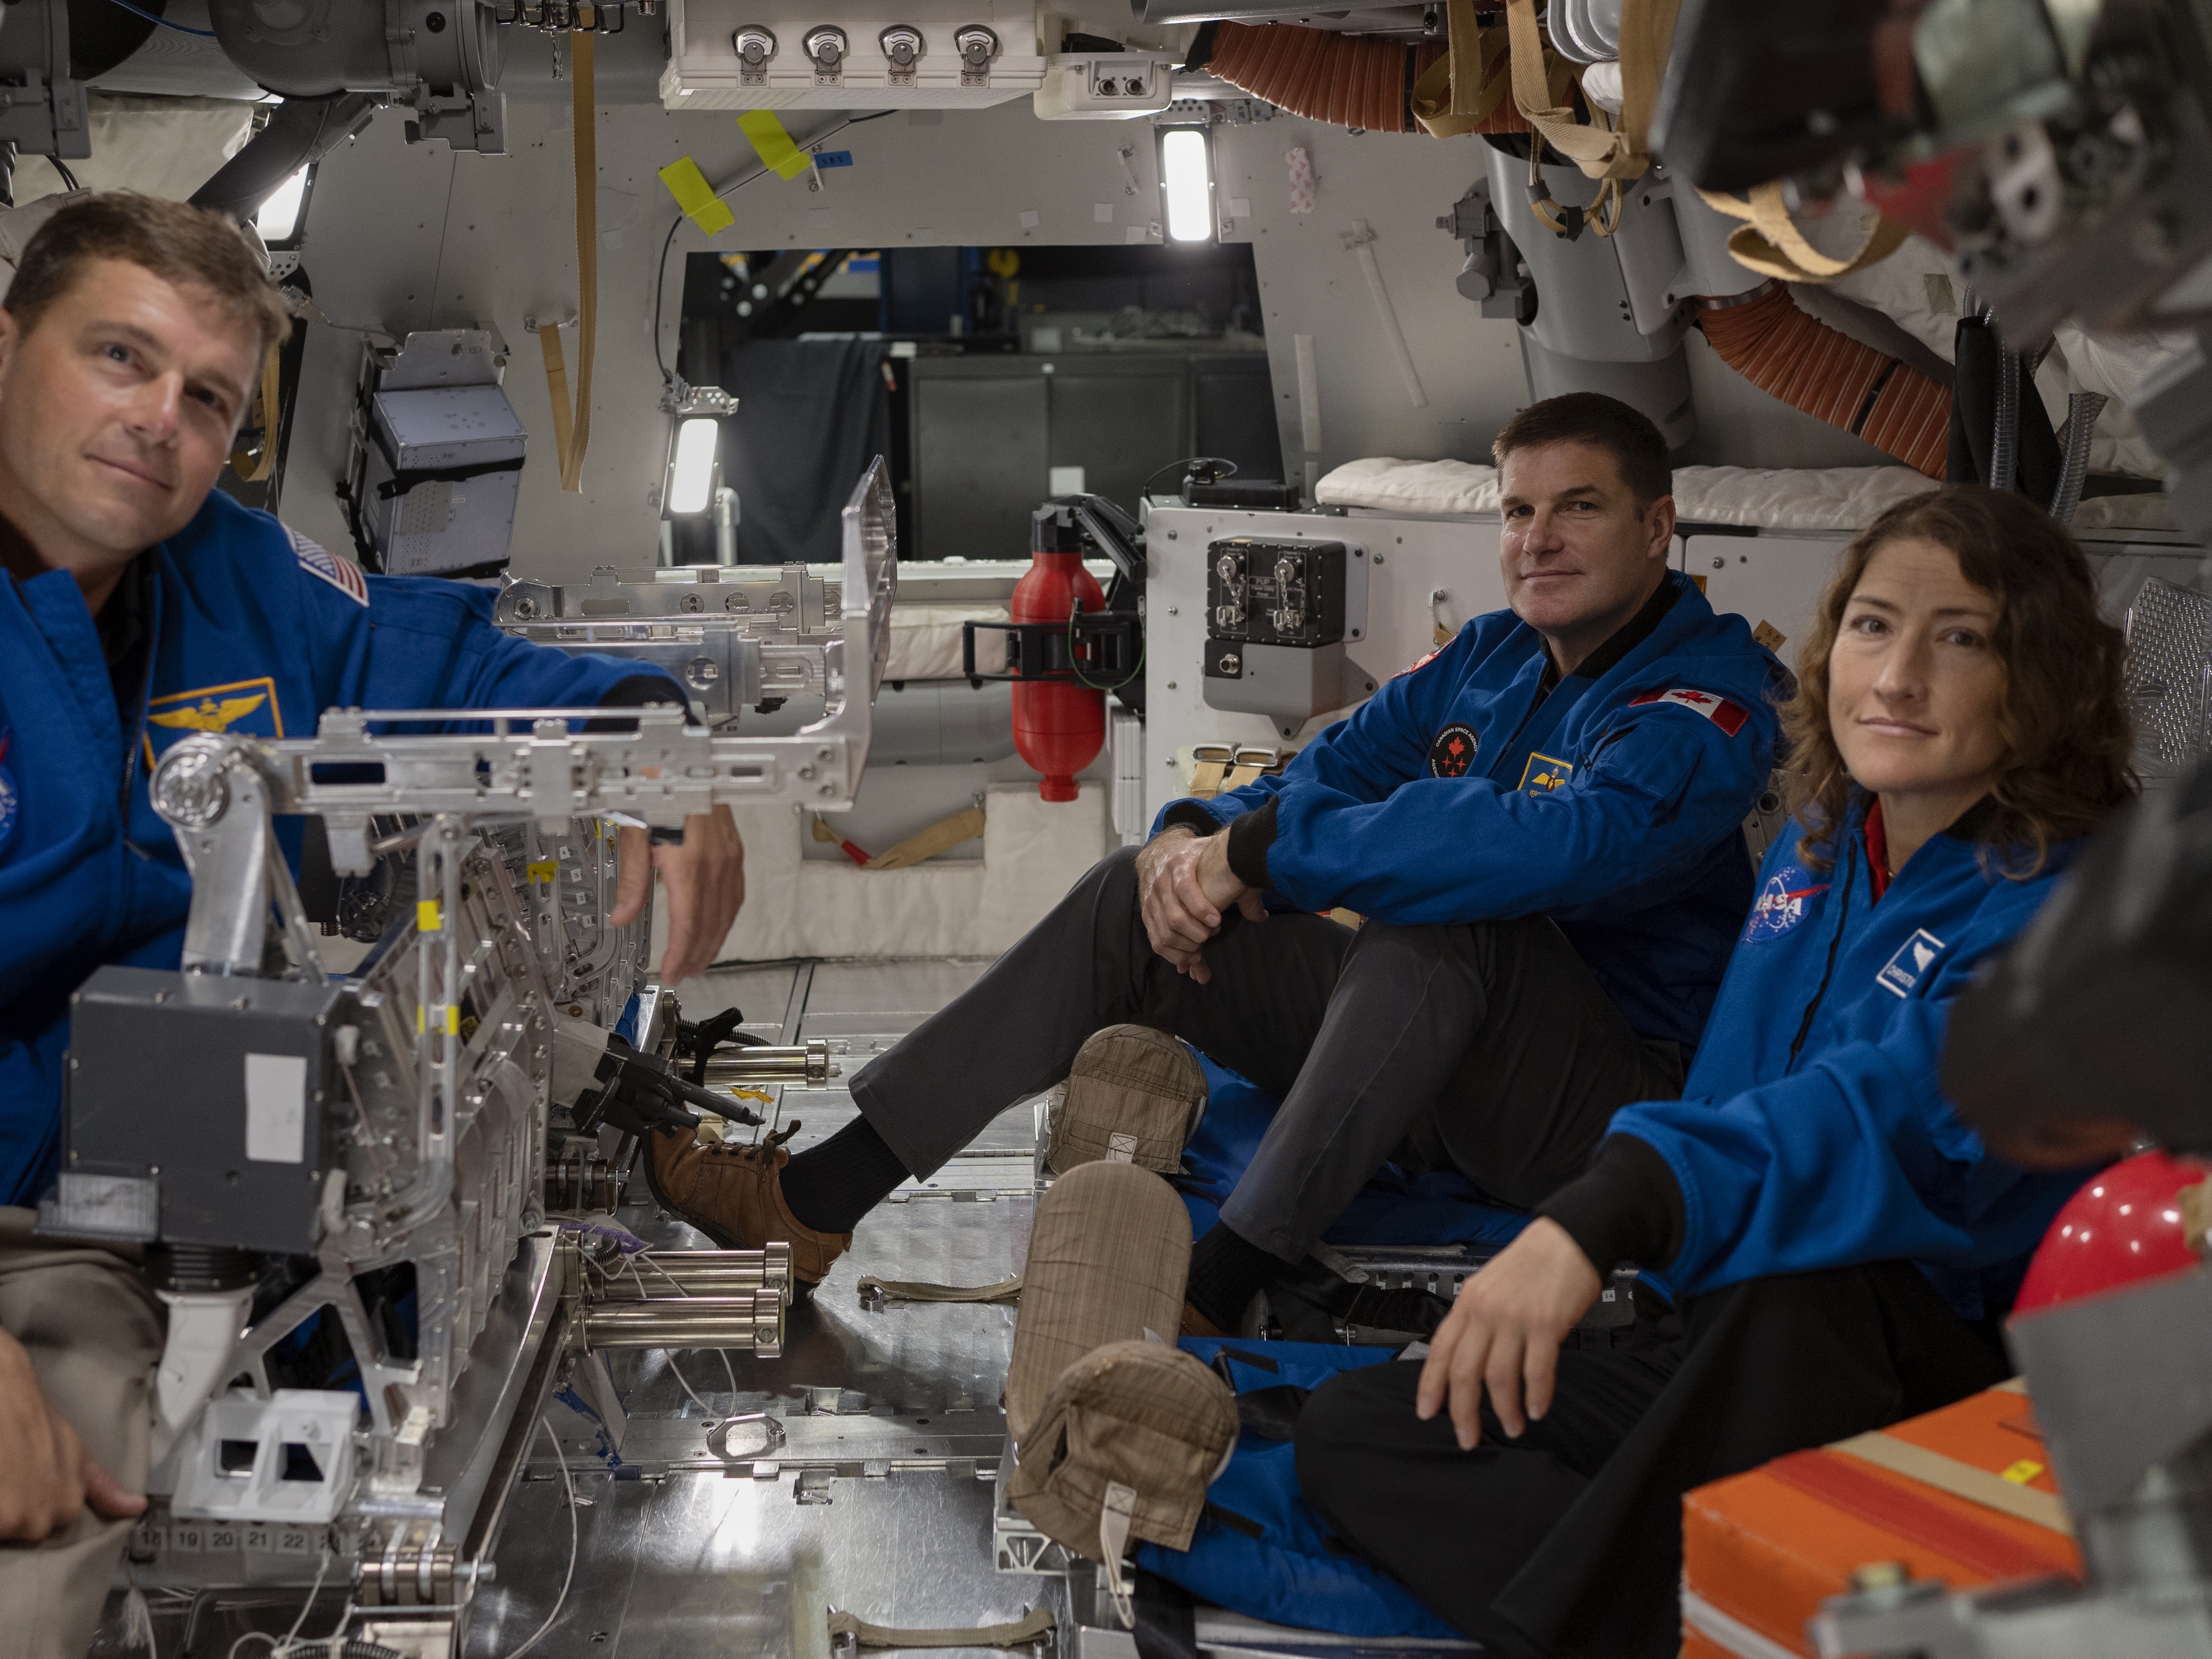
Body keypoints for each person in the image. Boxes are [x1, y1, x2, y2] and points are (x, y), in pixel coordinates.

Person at [0, 193, 743, 1657]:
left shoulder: (229, 568)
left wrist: (655, 747)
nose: (160, 420)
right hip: (35, 1237)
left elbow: (446, 653)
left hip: (134, 1185)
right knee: (49, 1493)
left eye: (206, 397)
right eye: (118, 357)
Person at [645, 392, 1786, 1331]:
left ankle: (1220, 1284)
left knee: (1454, 918)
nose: (1537, 540)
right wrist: (1196, 838)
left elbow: (1565, 847)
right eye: (1519, 510)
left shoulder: (1706, 702)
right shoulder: (1492, 656)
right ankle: (809, 1200)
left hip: (1598, 1108)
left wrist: (1272, 852)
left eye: (1578, 508)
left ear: (1657, 525)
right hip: (1438, 1053)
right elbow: (1333, 765)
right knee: (1122, 901)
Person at [1292, 485, 2136, 1659]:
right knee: (1363, 1432)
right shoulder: (1819, 847)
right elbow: (1732, 1085)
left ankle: (1660, 1599)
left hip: (1918, 1366)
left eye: (1962, 639)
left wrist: (1607, 1211)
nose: (1895, 679)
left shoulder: (2079, 911)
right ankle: (1676, 1614)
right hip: (1710, 1327)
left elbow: (1878, 1120)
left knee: (1803, 1285)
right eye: (1874, 625)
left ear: (2041, 678)